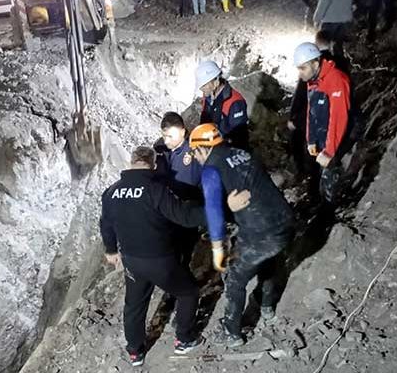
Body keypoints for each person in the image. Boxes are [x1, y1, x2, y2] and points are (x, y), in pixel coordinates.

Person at [188, 123, 294, 347]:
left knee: (235, 277)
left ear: (201, 149)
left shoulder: (210, 170)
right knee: (267, 260)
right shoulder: (242, 153)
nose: (195, 158)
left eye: (194, 152)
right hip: (285, 222)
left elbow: (214, 212)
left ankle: (231, 332)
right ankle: (266, 308)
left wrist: (217, 249)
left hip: (261, 231)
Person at [100, 146, 208, 365]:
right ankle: (184, 339)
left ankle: (134, 352)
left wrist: (111, 250)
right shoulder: (155, 189)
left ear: (131, 163)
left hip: (131, 260)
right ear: (154, 164)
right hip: (160, 260)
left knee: (134, 305)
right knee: (188, 292)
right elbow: (184, 217)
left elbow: (106, 224)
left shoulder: (111, 191)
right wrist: (214, 211)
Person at [293, 42, 352, 204]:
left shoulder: (336, 80)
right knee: (318, 176)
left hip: (337, 139)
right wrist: (311, 139)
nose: (300, 74)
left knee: (330, 180)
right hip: (322, 137)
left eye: (302, 68)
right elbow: (311, 112)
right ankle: (319, 204)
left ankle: (333, 212)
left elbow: (339, 117)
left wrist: (330, 151)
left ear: (315, 62)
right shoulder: (313, 80)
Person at [154, 112, 204, 268]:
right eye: (164, 136)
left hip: (185, 211)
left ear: (183, 132)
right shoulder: (167, 150)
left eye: (171, 136)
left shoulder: (189, 154)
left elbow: (184, 187)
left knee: (182, 252)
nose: (167, 141)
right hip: (173, 209)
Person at [195, 60, 250, 150]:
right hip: (212, 149)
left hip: (229, 152)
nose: (201, 89)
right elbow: (204, 123)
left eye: (204, 85)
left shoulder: (234, 102)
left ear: (216, 81)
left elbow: (238, 138)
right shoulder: (208, 97)